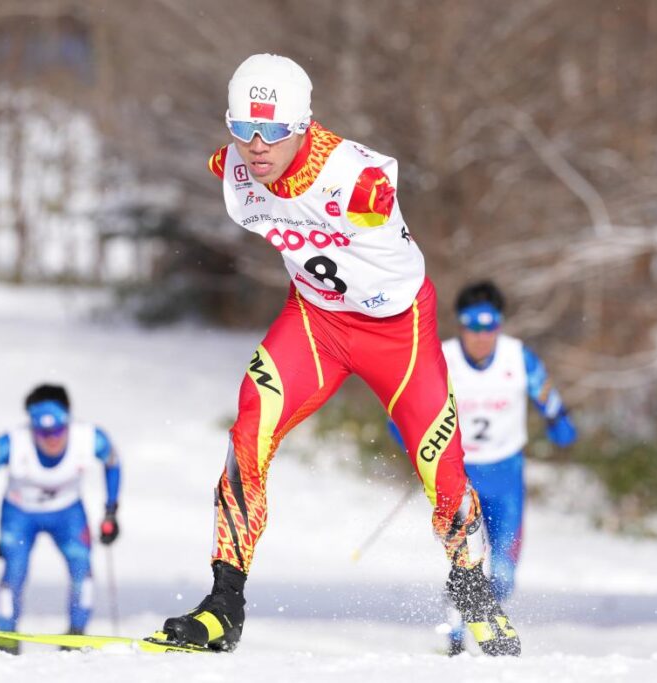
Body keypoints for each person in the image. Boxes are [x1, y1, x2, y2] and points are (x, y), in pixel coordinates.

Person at [147, 54, 519, 656]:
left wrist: (372, 199)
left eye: (272, 131)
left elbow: (374, 178)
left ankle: (474, 589)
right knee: (249, 430)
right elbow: (228, 160)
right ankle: (224, 605)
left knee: (441, 471)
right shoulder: (235, 166)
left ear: (303, 127)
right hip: (316, 323)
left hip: (399, 333)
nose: (256, 146)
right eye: (242, 129)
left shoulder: (353, 175)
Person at [439, 280, 576, 654]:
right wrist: (405, 433)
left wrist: (559, 421)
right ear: (460, 325)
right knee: (466, 560)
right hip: (459, 476)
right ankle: (455, 634)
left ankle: (476, 610)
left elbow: (547, 396)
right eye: (472, 326)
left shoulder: (518, 357)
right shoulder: (442, 359)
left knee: (503, 573)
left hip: (506, 477)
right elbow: (408, 406)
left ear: (499, 324)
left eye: (490, 326)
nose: (481, 337)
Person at [0, 384, 121, 654]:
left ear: (69, 421)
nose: (51, 439)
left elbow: (113, 463)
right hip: (19, 514)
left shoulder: (91, 438)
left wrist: (110, 511)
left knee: (82, 567)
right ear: (31, 426)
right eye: (42, 432)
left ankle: (76, 634)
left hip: (68, 513)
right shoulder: (10, 443)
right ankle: (6, 638)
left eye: (58, 430)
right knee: (14, 571)